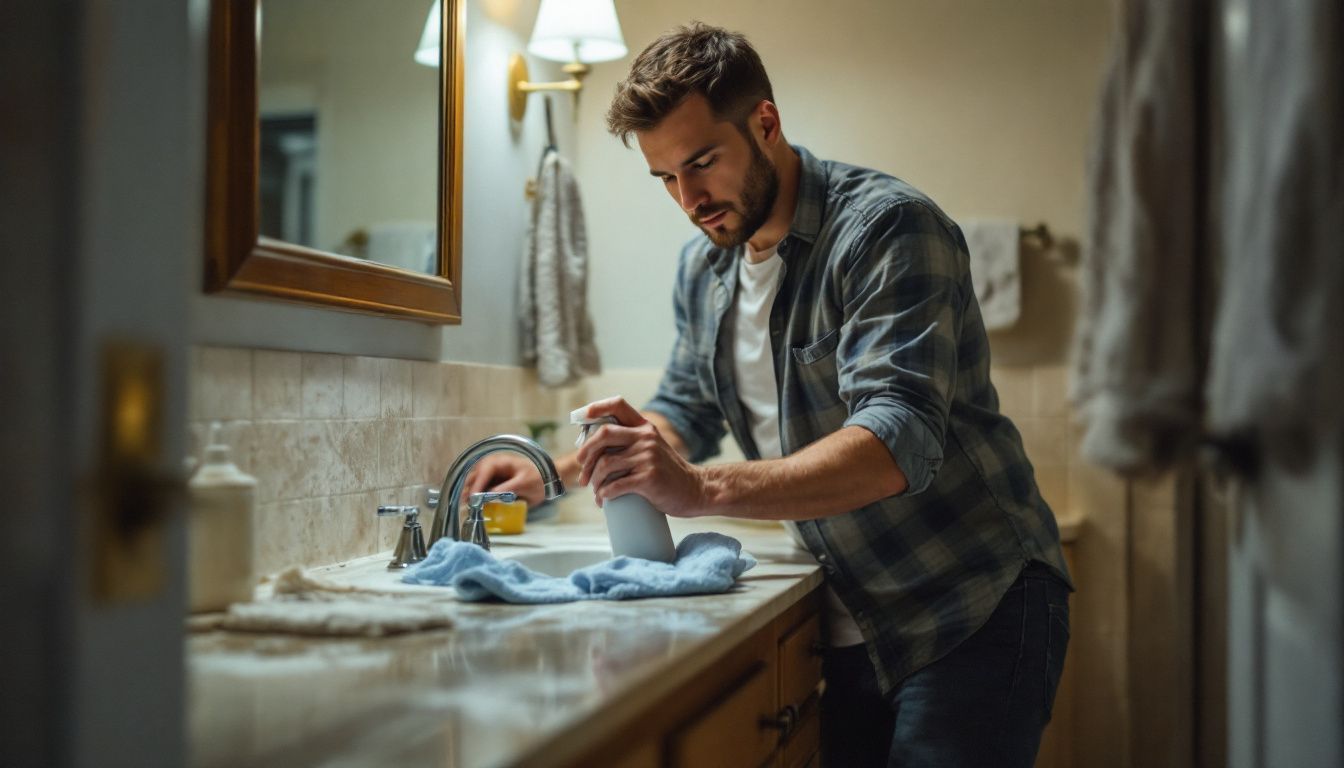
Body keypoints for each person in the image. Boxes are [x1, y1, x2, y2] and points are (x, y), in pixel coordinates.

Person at [466, 21, 1073, 767]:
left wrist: (697, 488)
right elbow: (684, 410)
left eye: (702, 163)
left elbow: (898, 440)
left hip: (969, 603)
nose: (689, 198)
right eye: (664, 178)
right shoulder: (705, 269)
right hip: (849, 619)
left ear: (766, 122)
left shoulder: (887, 229)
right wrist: (551, 472)